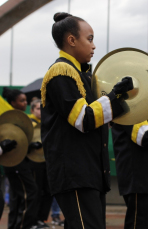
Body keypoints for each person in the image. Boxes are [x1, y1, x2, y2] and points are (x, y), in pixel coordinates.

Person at [41, 12, 133, 228]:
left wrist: (116, 97)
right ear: (71, 40)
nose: (93, 46)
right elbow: (84, 119)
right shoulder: (61, 71)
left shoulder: (83, 75)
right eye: (89, 39)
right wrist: (114, 98)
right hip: (74, 172)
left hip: (87, 172)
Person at [2, 87, 40, 229]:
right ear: (12, 103)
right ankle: (23, 225)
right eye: (21, 101)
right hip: (14, 164)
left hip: (21, 161)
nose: (25, 103)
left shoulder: (20, 119)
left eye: (25, 100)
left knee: (17, 197)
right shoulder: (8, 120)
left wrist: (30, 146)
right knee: (30, 193)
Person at [28, 99, 52, 228]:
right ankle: (32, 220)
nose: (41, 111)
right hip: (33, 162)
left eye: (42, 108)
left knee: (48, 191)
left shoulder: (48, 122)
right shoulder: (28, 123)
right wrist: (30, 145)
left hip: (47, 161)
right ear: (32, 110)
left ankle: (41, 219)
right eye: (38, 109)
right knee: (35, 192)